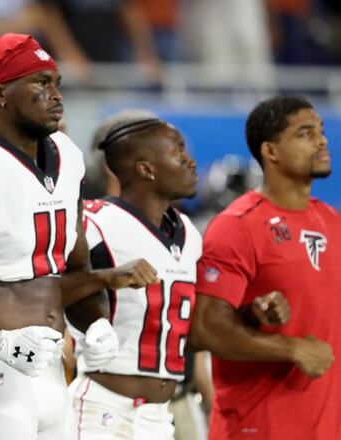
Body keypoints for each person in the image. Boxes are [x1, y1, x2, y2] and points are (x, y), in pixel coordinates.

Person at [0, 33, 156, 439]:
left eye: (56, 83)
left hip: (54, 366)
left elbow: (74, 269)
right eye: (40, 83)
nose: (56, 95)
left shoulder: (68, 154)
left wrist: (93, 321)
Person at [188, 96, 340, 439]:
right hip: (259, 427)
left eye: (321, 131)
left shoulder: (331, 221)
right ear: (270, 151)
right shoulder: (238, 226)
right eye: (305, 134)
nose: (321, 141)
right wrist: (292, 348)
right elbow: (204, 329)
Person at [70, 117, 201, 438]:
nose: (190, 160)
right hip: (103, 408)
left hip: (159, 415)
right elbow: (44, 291)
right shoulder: (95, 222)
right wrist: (105, 278)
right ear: (146, 169)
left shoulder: (189, 232)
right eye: (178, 150)